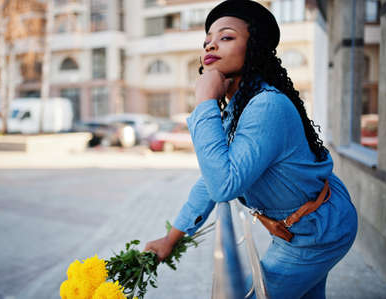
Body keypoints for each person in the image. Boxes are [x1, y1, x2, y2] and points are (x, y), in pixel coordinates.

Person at [144, 1, 358, 298]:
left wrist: (205, 101)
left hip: (317, 232)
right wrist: (172, 238)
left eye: (226, 37)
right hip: (299, 228)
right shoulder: (239, 108)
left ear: (253, 48)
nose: (211, 46)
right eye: (207, 41)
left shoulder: (266, 105)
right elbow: (211, 180)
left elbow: (223, 185)